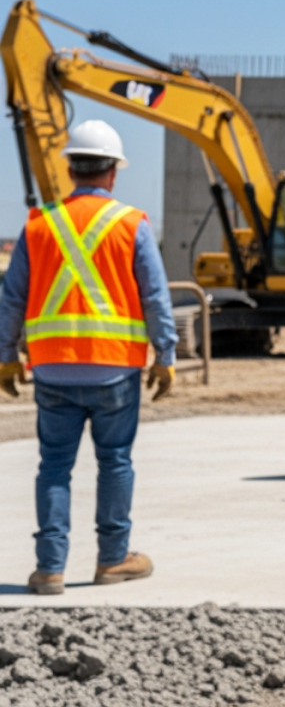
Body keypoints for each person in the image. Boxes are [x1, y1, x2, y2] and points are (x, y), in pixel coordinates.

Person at [0, 120, 176, 595]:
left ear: (71, 169)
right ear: (114, 173)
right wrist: (166, 354)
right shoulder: (132, 224)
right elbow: (156, 296)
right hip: (115, 368)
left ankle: (50, 568)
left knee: (53, 465)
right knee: (115, 461)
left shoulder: (38, 225)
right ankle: (113, 558)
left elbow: (11, 298)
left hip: (52, 367)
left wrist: (5, 357)